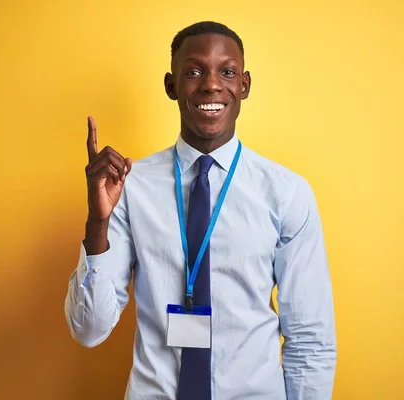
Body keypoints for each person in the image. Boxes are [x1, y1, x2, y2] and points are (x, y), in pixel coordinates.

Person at [65, 21, 336, 400]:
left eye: (227, 71)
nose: (211, 84)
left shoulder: (287, 193)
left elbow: (310, 339)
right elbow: (89, 331)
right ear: (171, 86)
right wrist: (98, 222)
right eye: (193, 71)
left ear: (244, 85)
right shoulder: (129, 186)